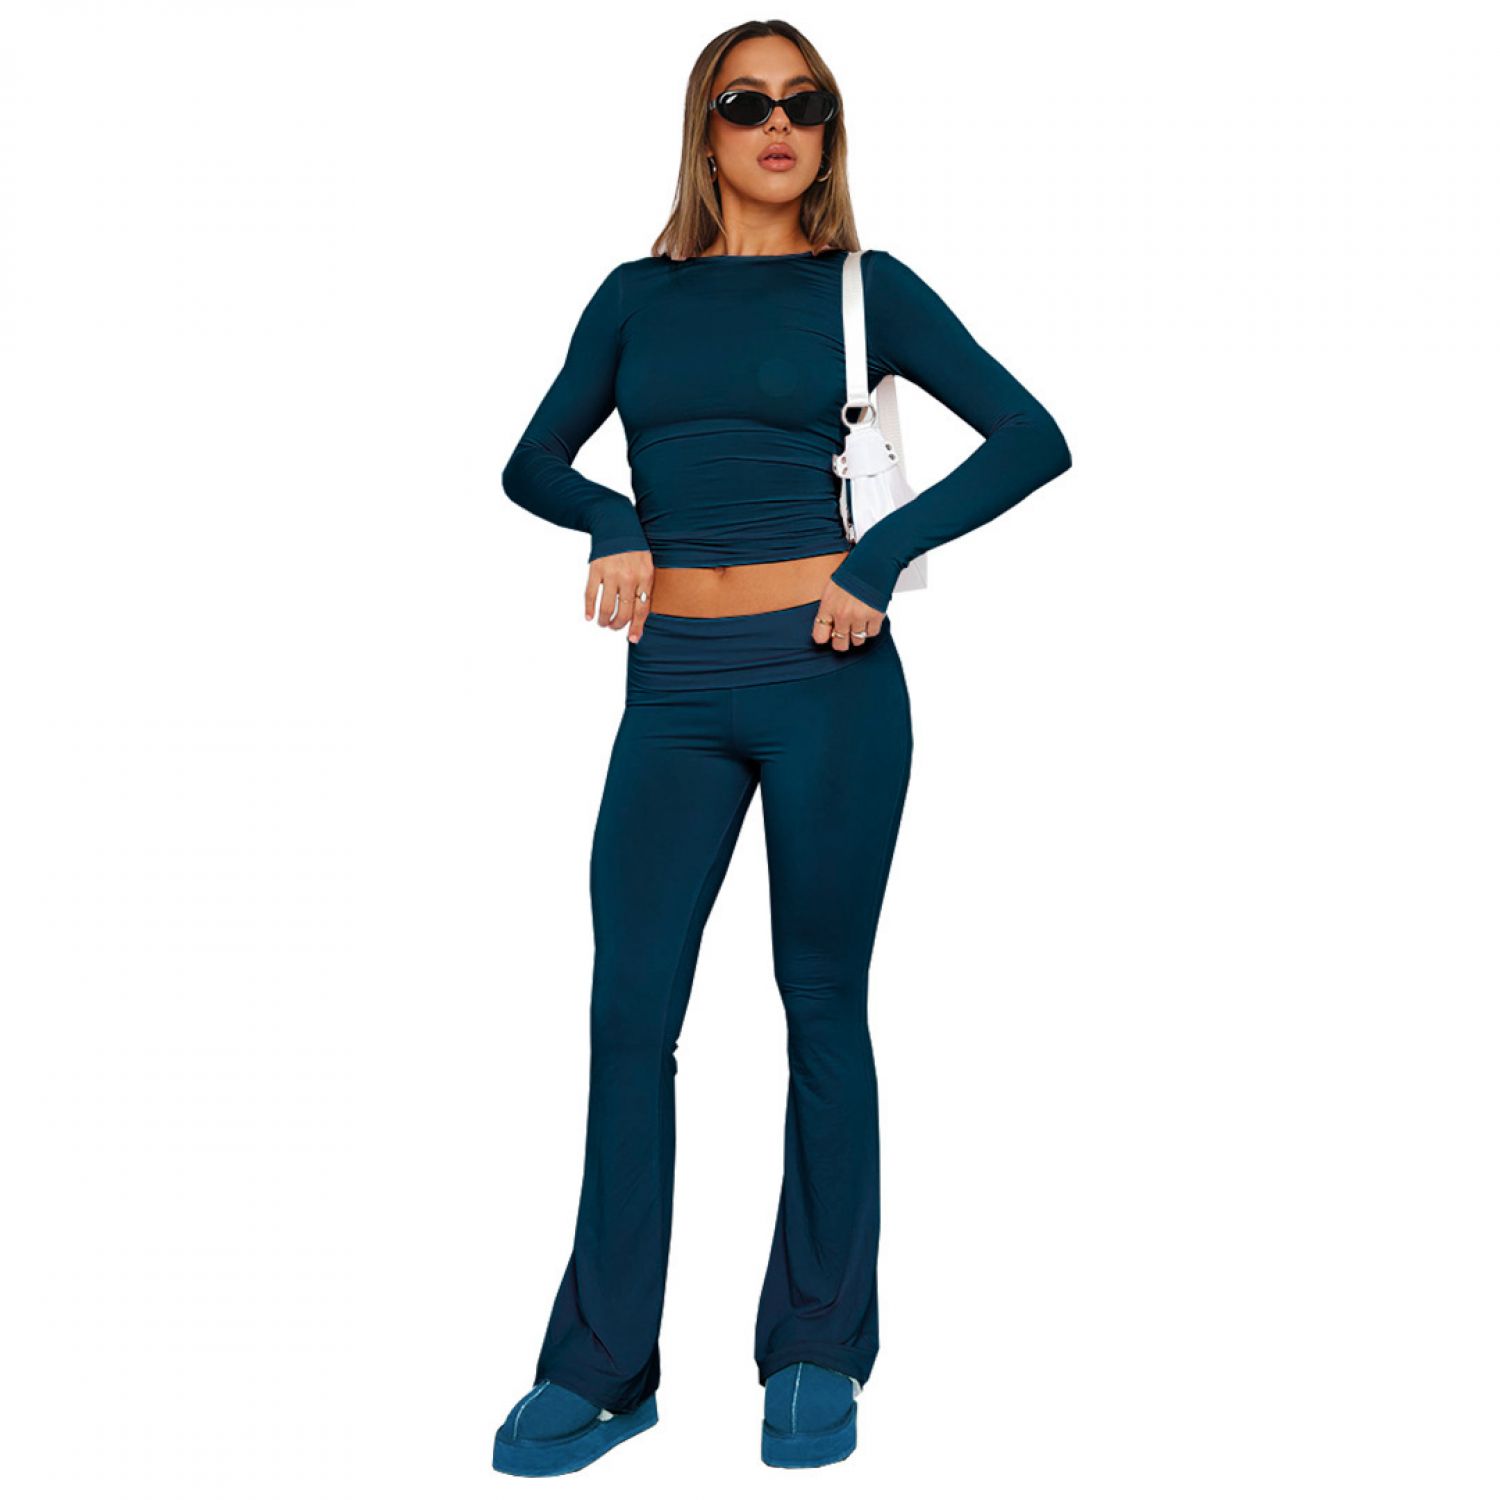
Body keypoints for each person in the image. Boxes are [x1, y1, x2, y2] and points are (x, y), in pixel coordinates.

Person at [491, 20, 1072, 1476]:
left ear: (828, 132)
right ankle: (602, 1365)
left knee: (820, 1003)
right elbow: (532, 460)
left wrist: (876, 563)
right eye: (748, 102)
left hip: (832, 685)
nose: (778, 125)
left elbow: (1032, 437)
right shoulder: (636, 298)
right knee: (629, 1019)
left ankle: (815, 1350)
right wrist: (612, 520)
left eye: (805, 105)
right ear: (706, 128)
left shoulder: (869, 290)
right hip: (673, 689)